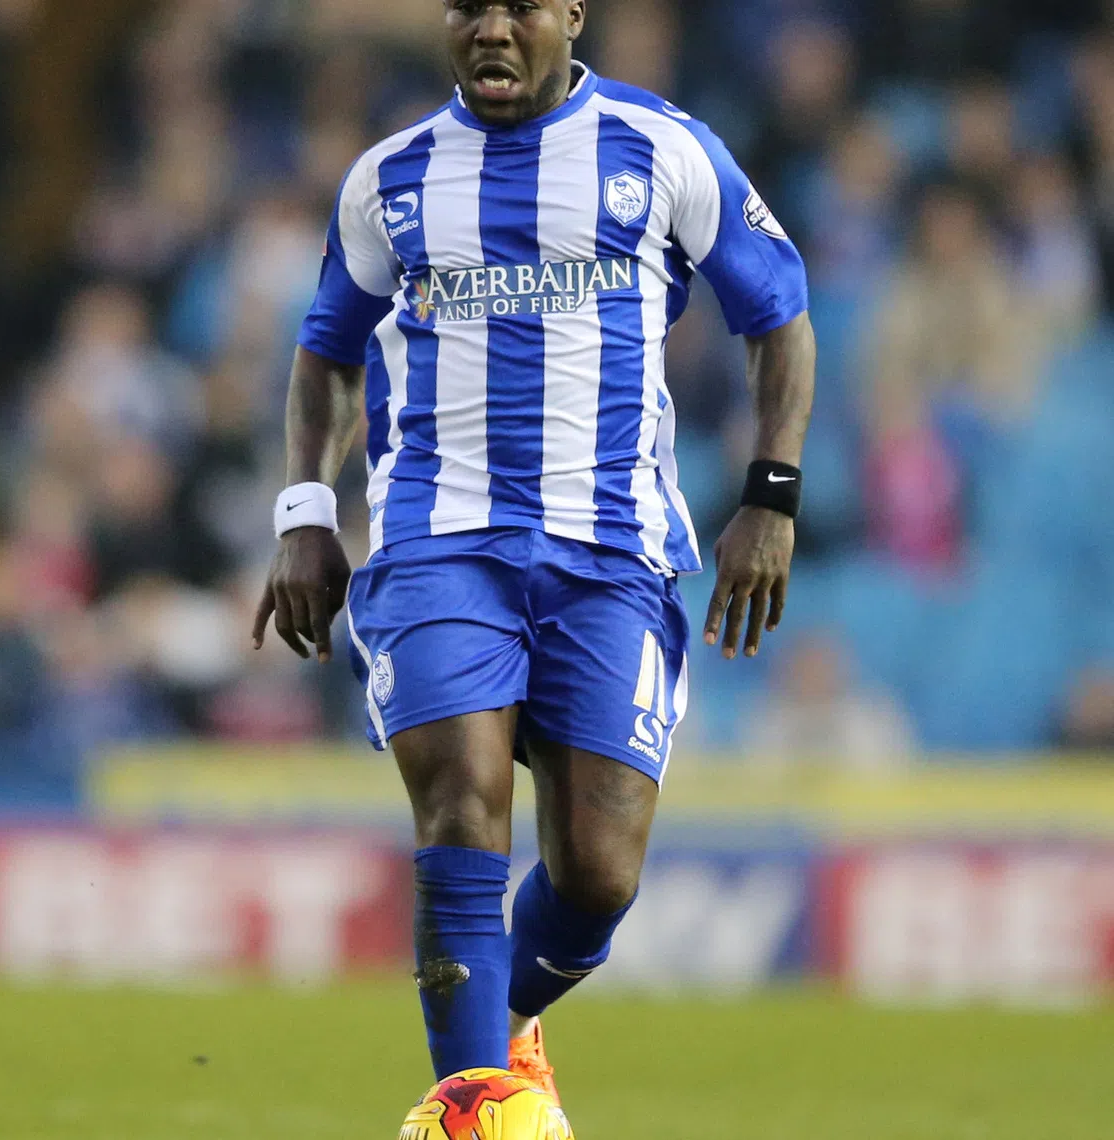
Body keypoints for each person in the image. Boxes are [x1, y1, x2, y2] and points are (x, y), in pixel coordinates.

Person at [252, 0, 814, 1108]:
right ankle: (469, 1106)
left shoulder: (663, 149)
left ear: (571, 14)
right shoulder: (391, 178)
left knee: (598, 874)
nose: (491, 30)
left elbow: (779, 319)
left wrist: (774, 497)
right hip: (437, 542)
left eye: (520, 6)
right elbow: (326, 353)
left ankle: (505, 1034)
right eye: (468, 7)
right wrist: (306, 511)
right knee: (460, 805)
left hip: (611, 548)